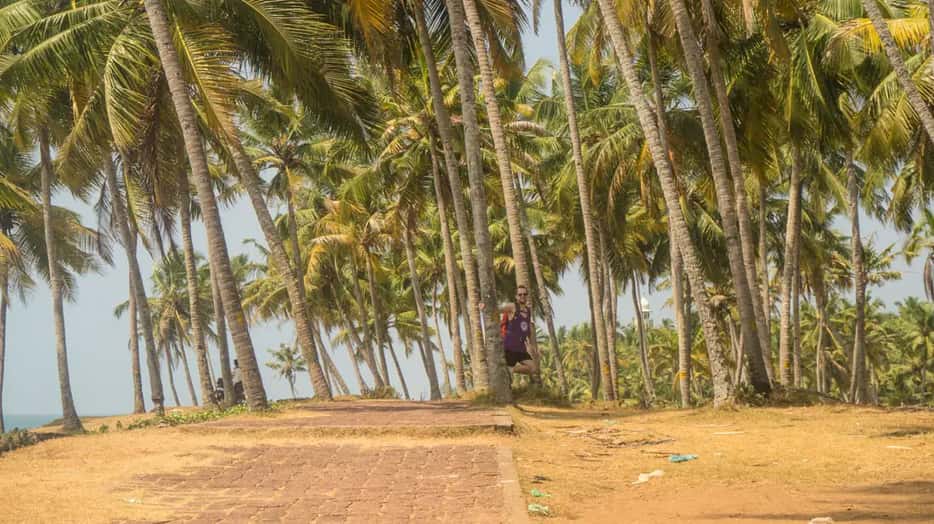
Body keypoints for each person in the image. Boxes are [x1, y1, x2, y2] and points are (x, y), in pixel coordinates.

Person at [500, 285, 538, 375]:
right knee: (507, 381)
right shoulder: (512, 307)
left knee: (533, 368)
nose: (522, 296)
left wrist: (533, 347)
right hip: (509, 349)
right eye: (520, 294)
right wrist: (485, 306)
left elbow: (528, 330)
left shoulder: (528, 311)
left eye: (525, 294)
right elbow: (497, 309)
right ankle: (509, 370)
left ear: (527, 296)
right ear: (516, 296)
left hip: (521, 349)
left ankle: (511, 369)